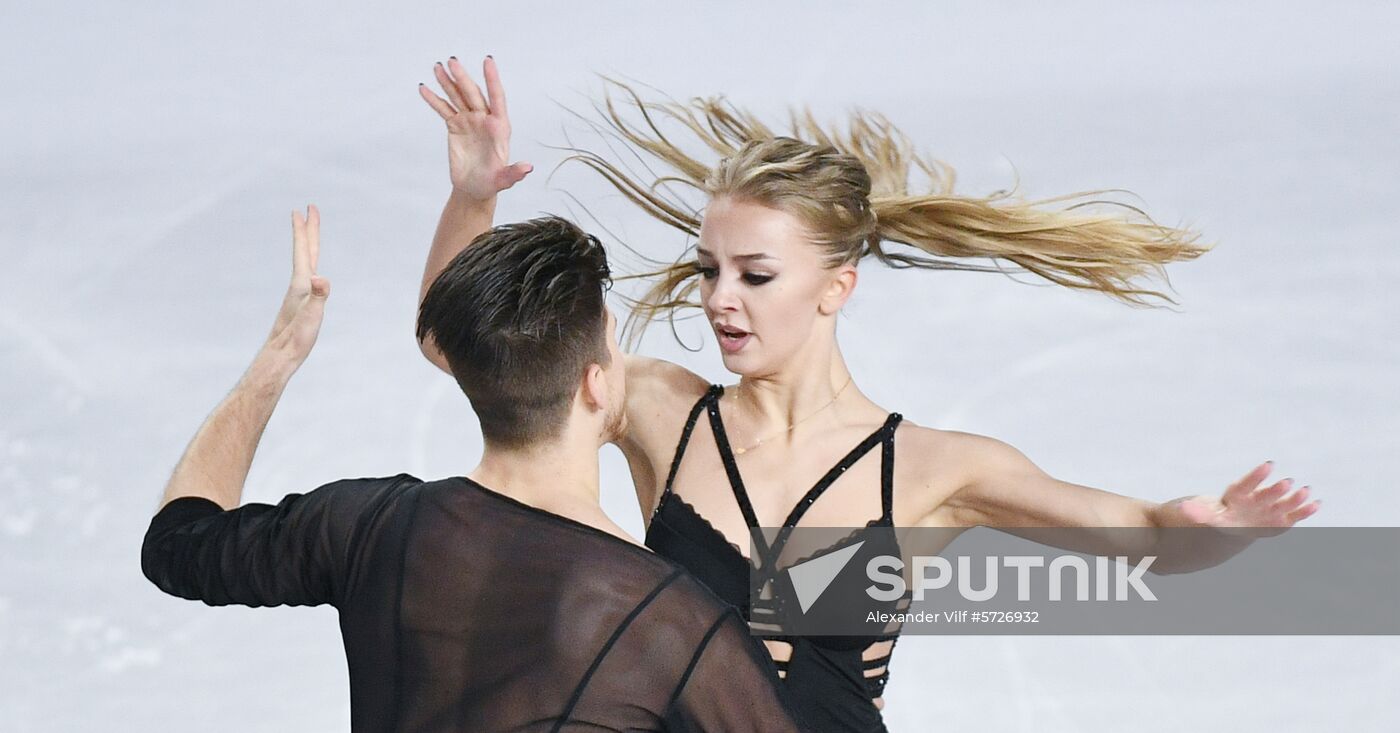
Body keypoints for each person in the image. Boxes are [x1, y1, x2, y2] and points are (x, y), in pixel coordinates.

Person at [416, 56, 1321, 732]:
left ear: (835, 286)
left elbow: (1152, 540)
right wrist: (471, 200)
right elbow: (462, 346)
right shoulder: (660, 411)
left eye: (755, 274)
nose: (719, 298)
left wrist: (1214, 529)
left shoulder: (935, 468)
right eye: (708, 269)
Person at [141, 206, 809, 732]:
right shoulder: (672, 622)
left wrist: (279, 355)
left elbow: (175, 543)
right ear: (596, 384)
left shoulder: (365, 524)